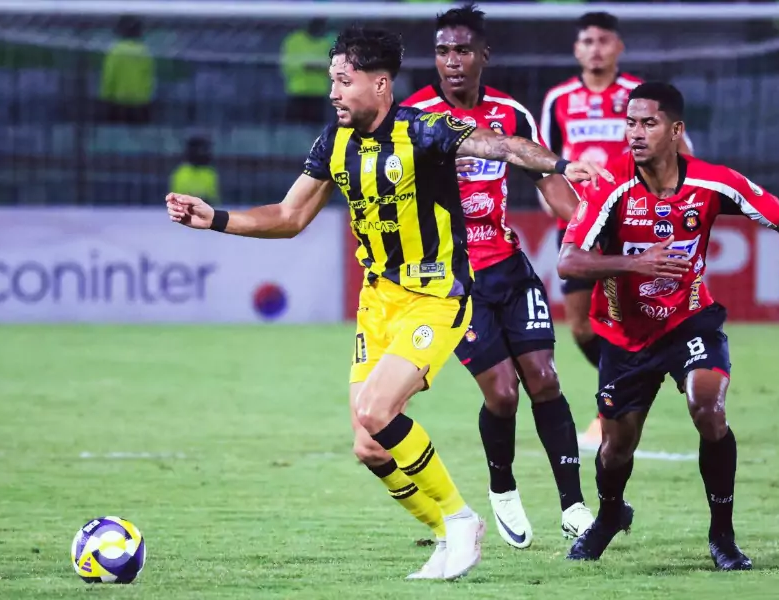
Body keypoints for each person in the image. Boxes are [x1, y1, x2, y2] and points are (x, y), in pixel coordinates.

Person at [165, 26, 609, 581]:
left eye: (343, 81)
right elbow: (289, 216)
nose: (332, 92)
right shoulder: (334, 141)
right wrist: (216, 219)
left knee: (380, 412)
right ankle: (448, 531)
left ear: (380, 85)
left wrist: (559, 164)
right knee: (369, 445)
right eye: (331, 80)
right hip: (378, 303)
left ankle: (462, 520)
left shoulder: (427, 130)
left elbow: (501, 145)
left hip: (436, 296)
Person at [558, 82, 779, 570]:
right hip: (626, 337)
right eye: (630, 122)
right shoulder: (609, 185)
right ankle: (609, 516)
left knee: (708, 408)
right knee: (616, 448)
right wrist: (634, 263)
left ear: (676, 130)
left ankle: (722, 538)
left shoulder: (712, 181)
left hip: (690, 319)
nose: (635, 133)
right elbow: (567, 262)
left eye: (648, 123)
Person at [399, 3, 594, 552]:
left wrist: (593, 227)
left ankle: (575, 507)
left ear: (484, 55)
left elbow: (552, 190)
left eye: (462, 50)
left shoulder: (511, 114)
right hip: (453, 280)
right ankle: (502, 488)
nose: (452, 61)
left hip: (508, 266)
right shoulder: (414, 116)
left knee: (546, 379)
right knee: (504, 395)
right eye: (442, 51)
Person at [541, 12, 693, 445]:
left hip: (634, 225)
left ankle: (618, 401)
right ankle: (627, 387)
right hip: (580, 222)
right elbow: (546, 165)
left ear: (618, 48)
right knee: (581, 327)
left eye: (604, 40)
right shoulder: (559, 100)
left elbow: (682, 154)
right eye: (587, 40)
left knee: (634, 318)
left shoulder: (637, 97)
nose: (595, 48)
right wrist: (565, 210)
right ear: (576, 49)